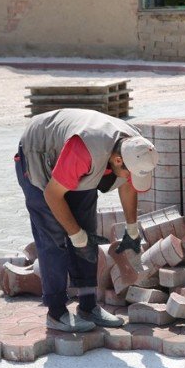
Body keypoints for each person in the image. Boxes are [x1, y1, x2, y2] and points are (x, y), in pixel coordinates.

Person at [15, 108, 158, 332]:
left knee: (87, 234)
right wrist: (75, 234)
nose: (131, 178)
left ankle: (88, 306)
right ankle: (56, 312)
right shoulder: (84, 151)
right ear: (118, 160)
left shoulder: (134, 145)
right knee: (55, 237)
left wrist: (132, 229)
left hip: (75, 158)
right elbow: (52, 195)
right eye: (129, 172)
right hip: (39, 154)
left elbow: (129, 184)